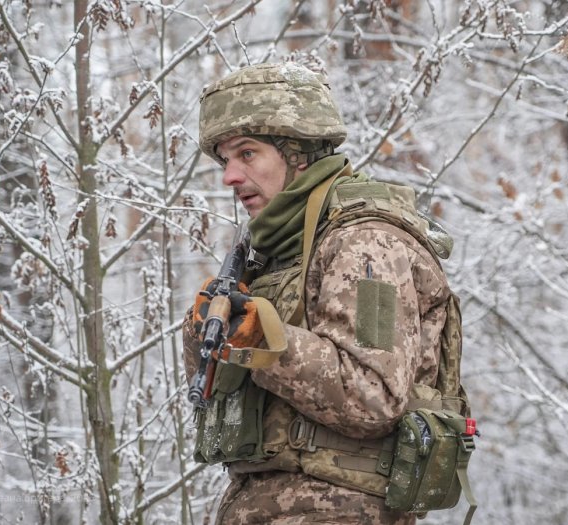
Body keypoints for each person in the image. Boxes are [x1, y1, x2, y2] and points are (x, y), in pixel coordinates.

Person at [182, 62, 458, 525]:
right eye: (225, 160)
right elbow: (211, 398)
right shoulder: (269, 252)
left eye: (246, 154)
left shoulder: (366, 240)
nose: (229, 176)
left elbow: (373, 396)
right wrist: (205, 335)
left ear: (299, 154)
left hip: (340, 510)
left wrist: (265, 343)